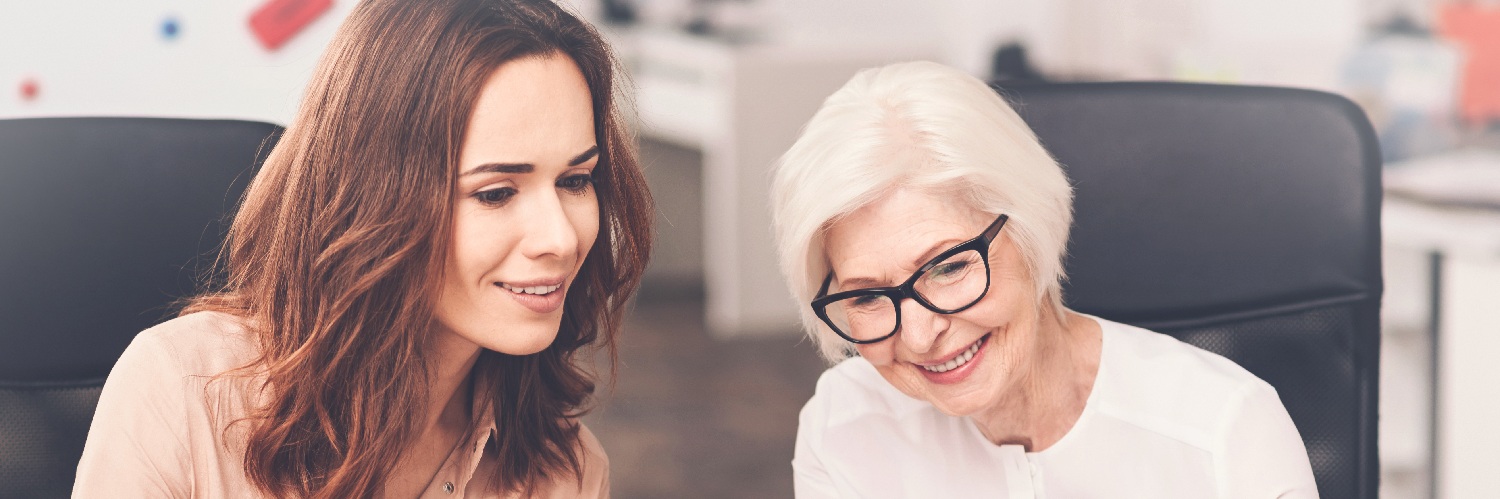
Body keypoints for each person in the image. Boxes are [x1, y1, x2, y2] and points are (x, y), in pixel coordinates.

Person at [73, 0, 652, 496]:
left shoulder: (564, 473)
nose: (560, 237)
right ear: (374, 200)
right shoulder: (182, 394)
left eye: (576, 181)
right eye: (496, 193)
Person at [770, 61, 1318, 498]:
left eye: (950, 267)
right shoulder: (845, 426)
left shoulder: (1224, 432)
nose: (917, 336)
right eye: (866, 296)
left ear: (1032, 230)